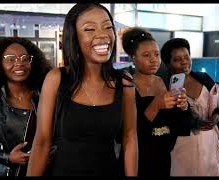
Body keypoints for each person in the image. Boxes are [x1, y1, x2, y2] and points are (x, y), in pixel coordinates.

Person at [26, 3, 138, 176]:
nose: (102, 35)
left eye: (108, 26)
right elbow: (42, 141)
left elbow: (130, 138)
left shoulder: (124, 82)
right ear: (74, 37)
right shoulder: (56, 78)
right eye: (89, 29)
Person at [121, 27, 195, 176]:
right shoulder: (126, 85)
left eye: (156, 54)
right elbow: (127, 131)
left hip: (162, 157)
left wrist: (183, 106)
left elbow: (176, 123)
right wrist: (156, 105)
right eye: (146, 55)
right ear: (133, 58)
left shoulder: (162, 81)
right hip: (138, 159)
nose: (154, 59)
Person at [0, 37, 51, 176]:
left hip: (45, 169)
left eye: (25, 58)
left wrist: (50, 152)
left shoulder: (46, 95)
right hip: (7, 172)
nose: (19, 63)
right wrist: (8, 157)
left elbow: (59, 134)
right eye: (10, 59)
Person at [160, 38, 219, 176]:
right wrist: (195, 123)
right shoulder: (164, 86)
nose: (184, 61)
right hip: (183, 145)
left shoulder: (204, 78)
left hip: (209, 141)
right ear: (168, 64)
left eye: (187, 56)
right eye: (177, 59)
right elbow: (167, 120)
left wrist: (218, 115)